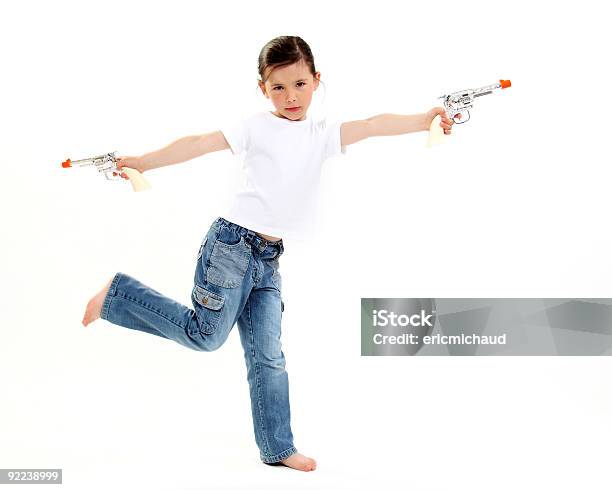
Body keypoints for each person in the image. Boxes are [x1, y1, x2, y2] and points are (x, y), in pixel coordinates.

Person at [81, 35, 455, 472]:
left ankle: (277, 447)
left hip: (269, 258)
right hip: (231, 248)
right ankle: (119, 296)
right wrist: (142, 161)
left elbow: (373, 125)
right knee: (207, 336)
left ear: (317, 81)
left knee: (268, 354)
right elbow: (198, 143)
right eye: (278, 87)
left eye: (299, 84)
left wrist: (424, 118)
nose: (291, 96)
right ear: (263, 89)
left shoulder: (323, 133)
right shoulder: (255, 127)